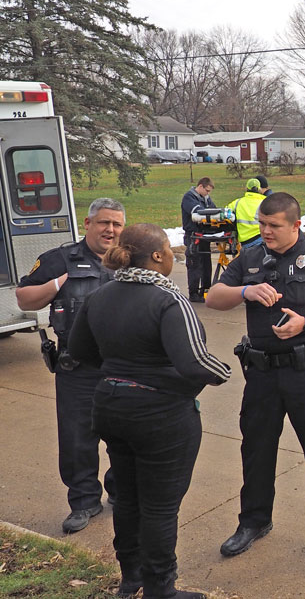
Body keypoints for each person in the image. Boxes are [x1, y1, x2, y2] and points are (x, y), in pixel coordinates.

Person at [69, 223, 231, 599]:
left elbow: (80, 351)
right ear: (158, 255)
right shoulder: (167, 299)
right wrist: (223, 371)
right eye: (170, 250)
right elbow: (194, 363)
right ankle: (161, 589)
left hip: (111, 407)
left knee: (127, 498)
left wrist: (120, 370)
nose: (175, 256)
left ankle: (131, 579)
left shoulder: (101, 294)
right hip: (160, 415)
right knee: (159, 507)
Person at [205, 192, 305, 563]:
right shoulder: (251, 255)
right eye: (261, 224)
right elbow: (214, 296)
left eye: (273, 225)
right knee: (256, 449)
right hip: (261, 374)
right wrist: (246, 289)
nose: (265, 231)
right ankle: (253, 522)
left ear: (295, 225)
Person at [15, 198, 124, 534]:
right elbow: (24, 297)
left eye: (117, 224)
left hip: (121, 367)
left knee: (125, 436)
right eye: (104, 223)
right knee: (78, 439)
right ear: (88, 224)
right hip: (77, 370)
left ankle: (119, 490)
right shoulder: (61, 259)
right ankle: (83, 501)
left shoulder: (130, 260)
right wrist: (59, 282)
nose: (110, 230)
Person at [181, 177, 217, 303]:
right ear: (200, 186)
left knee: (206, 264)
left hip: (204, 236)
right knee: (194, 264)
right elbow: (198, 212)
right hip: (193, 235)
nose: (208, 194)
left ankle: (205, 290)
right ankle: (194, 293)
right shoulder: (189, 198)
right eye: (207, 191)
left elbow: (213, 210)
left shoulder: (206, 199)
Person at [226, 178, 267, 249]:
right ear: (259, 189)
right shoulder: (265, 202)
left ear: (246, 188)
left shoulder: (237, 203)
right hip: (261, 238)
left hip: (245, 242)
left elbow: (225, 212)